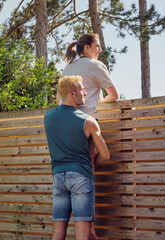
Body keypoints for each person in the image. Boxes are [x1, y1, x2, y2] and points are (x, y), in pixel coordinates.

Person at [44, 75, 110, 240]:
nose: (85, 93)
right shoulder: (88, 121)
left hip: (59, 178)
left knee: (57, 233)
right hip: (81, 177)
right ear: (72, 93)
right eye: (82, 89)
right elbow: (106, 155)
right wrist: (89, 163)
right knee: (83, 234)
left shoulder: (48, 117)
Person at [57, 33, 118, 119]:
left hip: (67, 121)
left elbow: (59, 100)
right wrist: (101, 103)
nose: (100, 50)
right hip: (88, 121)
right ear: (87, 47)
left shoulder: (67, 67)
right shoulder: (96, 65)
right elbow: (113, 96)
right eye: (97, 46)